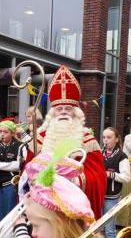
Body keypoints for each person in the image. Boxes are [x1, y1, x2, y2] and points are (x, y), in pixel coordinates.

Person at [24, 65, 107, 219]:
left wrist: (76, 179)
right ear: (52, 112)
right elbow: (27, 172)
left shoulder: (87, 139)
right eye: (59, 108)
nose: (63, 112)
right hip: (44, 205)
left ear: (76, 112)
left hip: (74, 206)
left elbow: (99, 177)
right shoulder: (39, 138)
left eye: (68, 109)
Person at [101, 127, 130, 238]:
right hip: (99, 195)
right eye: (104, 137)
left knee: (110, 231)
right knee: (98, 230)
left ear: (116, 139)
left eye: (109, 137)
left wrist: (110, 174)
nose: (105, 140)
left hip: (111, 198)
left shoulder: (121, 156)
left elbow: (127, 177)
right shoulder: (100, 153)